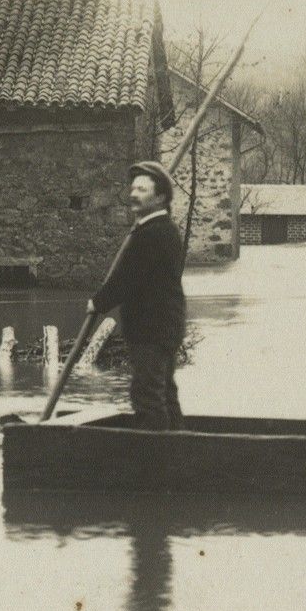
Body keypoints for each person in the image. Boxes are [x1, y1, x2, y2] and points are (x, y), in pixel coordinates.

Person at [88, 160, 187, 430]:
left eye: (142, 189)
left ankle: (154, 461)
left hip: (151, 328)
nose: (133, 194)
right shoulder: (158, 230)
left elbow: (128, 278)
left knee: (147, 395)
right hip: (163, 326)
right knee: (163, 391)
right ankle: (178, 448)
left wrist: (98, 302)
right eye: (133, 188)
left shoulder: (152, 234)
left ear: (160, 197)